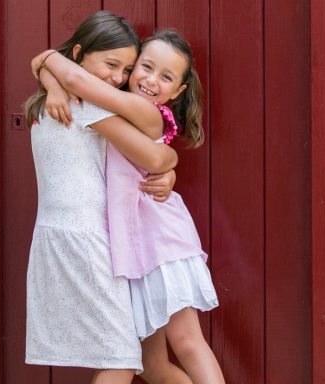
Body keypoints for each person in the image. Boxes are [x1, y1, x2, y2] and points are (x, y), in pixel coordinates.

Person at [33, 29, 225, 384]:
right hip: (131, 249)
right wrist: (50, 77)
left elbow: (76, 78)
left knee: (186, 341)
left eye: (166, 77)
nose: (150, 80)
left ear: (179, 91)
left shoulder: (141, 112)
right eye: (144, 67)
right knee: (152, 367)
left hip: (162, 241)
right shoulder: (113, 105)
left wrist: (48, 66)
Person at [23, 12, 179, 384]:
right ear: (79, 54)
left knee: (136, 358)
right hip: (86, 240)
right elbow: (158, 156)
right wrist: (170, 166)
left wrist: (48, 70)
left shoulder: (53, 100)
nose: (117, 79)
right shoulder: (86, 105)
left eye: (125, 71)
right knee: (121, 358)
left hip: (67, 236)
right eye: (111, 64)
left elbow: (49, 63)